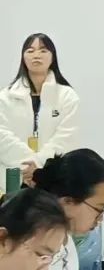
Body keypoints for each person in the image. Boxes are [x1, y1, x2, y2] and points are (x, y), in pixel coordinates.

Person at [0, 34, 79, 191]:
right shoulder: (5, 97)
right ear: (23, 57)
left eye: (43, 50)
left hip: (52, 177)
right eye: (30, 51)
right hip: (12, 177)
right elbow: (2, 135)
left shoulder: (67, 96)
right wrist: (28, 165)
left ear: (52, 57)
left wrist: (39, 165)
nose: (36, 55)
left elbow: (66, 138)